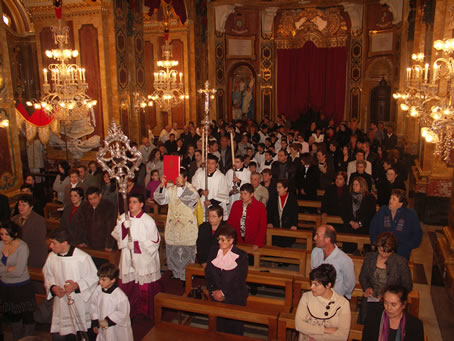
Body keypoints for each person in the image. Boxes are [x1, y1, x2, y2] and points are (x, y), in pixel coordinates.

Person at [111, 193, 161, 320]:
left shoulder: (148, 221)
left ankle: (146, 311)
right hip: (128, 255)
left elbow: (154, 242)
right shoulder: (123, 217)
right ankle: (129, 310)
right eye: (130, 202)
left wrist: (137, 245)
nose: (131, 205)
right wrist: (123, 227)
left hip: (143, 257)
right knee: (129, 282)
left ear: (141, 204)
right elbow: (116, 234)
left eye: (134, 202)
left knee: (143, 285)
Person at [43, 228, 98, 340]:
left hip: (79, 302)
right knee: (61, 334)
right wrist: (53, 287)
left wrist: (77, 285)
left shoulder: (82, 258)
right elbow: (48, 275)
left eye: (54, 243)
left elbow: (94, 278)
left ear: (64, 243)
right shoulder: (52, 257)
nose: (51, 246)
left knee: (79, 335)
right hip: (61, 302)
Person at [154, 169, 200, 281]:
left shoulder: (191, 189)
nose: (177, 180)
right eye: (176, 177)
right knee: (174, 253)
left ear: (185, 178)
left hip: (187, 229)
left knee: (186, 255)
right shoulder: (171, 189)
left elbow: (194, 203)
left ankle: (188, 277)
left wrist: (183, 187)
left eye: (180, 177)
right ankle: (175, 274)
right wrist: (162, 185)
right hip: (174, 227)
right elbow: (160, 200)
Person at [358, 232, 413, 324]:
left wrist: (389, 296)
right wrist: (367, 287)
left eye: (388, 252)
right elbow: (363, 277)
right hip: (371, 300)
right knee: (368, 326)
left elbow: (407, 285)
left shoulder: (400, 262)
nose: (383, 254)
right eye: (381, 250)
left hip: (391, 304)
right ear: (377, 246)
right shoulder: (369, 257)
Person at [205, 224, 248, 335]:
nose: (219, 242)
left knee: (234, 330)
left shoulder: (241, 256)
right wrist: (214, 290)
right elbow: (208, 273)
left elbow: (239, 280)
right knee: (218, 329)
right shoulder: (213, 251)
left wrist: (224, 293)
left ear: (231, 241)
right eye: (219, 239)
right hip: (215, 296)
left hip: (235, 298)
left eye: (223, 240)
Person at [295, 264, 351, 341]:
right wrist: (324, 330)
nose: (311, 287)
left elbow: (342, 336)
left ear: (328, 285)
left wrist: (312, 335)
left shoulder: (343, 304)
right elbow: (299, 325)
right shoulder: (306, 297)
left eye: (316, 284)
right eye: (311, 283)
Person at [0, 221, 36, 340]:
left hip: (21, 287)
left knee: (27, 317)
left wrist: (3, 270)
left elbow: (19, 271)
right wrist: (8, 269)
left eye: (6, 234)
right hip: (6, 287)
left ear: (14, 234)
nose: (3, 237)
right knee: (13, 317)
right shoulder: (0, 245)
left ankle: (27, 339)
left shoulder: (22, 247)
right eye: (1, 234)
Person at [370, 189, 422, 260]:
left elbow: (418, 233)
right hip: (382, 250)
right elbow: (373, 227)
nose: (390, 201)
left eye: (394, 199)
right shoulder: (383, 210)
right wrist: (375, 242)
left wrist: (408, 246)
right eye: (390, 198)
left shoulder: (410, 214)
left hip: (401, 253)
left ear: (400, 203)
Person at [90, 263, 134, 341]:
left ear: (113, 280)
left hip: (115, 328)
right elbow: (94, 305)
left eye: (103, 280)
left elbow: (122, 313)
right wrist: (95, 322)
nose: (100, 282)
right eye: (99, 278)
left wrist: (106, 321)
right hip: (102, 325)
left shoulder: (120, 296)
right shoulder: (98, 290)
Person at [311, 225, 355, 299]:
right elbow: (313, 276)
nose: (314, 238)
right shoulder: (315, 252)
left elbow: (349, 285)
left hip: (335, 299)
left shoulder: (344, 260)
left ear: (327, 239)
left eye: (317, 235)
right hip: (317, 296)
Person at [79, 187, 116, 262]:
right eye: (90, 199)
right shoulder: (85, 207)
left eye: (94, 198)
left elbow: (111, 227)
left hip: (103, 243)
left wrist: (109, 245)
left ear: (100, 196)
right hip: (90, 243)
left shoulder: (108, 206)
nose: (92, 201)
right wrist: (82, 240)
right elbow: (82, 225)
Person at [11, 194, 48, 269]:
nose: (20, 207)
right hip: (17, 253)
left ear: (31, 207)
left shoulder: (39, 220)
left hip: (34, 253)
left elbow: (38, 239)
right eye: (19, 205)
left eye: (24, 205)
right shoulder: (14, 219)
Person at [227, 183, 267, 250]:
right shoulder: (236, 204)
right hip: (237, 240)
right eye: (241, 193)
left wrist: (257, 243)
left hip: (253, 241)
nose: (242, 196)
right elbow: (230, 223)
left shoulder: (260, 207)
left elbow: (262, 227)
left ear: (252, 194)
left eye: (245, 194)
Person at [192, 154, 230, 220]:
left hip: (215, 206)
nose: (210, 165)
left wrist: (211, 202)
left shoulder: (221, 177)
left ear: (216, 165)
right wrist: (201, 191)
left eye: (212, 163)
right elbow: (193, 185)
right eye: (208, 163)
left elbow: (224, 193)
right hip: (201, 205)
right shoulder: (199, 173)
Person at [267, 179, 299, 247]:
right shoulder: (273, 197)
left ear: (286, 188)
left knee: (287, 244)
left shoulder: (292, 198)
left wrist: (294, 224)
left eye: (280, 187)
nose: (277, 189)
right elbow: (269, 211)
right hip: (275, 225)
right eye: (277, 187)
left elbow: (295, 213)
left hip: (287, 226)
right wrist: (269, 222)